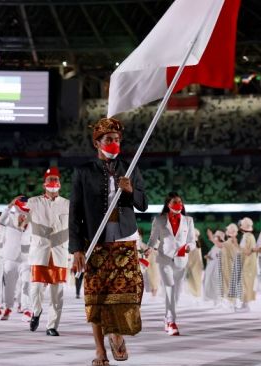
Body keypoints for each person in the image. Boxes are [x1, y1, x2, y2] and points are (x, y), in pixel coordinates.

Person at [70, 117, 147, 365]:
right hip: (96, 243)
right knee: (96, 298)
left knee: (128, 293)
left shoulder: (131, 166)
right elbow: (76, 212)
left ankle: (116, 333)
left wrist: (130, 191)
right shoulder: (83, 172)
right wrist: (77, 249)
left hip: (124, 240)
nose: (114, 143)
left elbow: (143, 205)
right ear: (97, 143)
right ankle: (100, 351)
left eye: (117, 140)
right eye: (108, 140)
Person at [27, 167, 70, 337]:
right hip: (40, 250)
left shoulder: (67, 204)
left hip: (59, 252)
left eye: (56, 180)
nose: (53, 183)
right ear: (44, 183)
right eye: (50, 179)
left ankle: (52, 326)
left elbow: (74, 226)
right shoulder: (33, 202)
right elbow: (20, 220)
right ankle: (36, 312)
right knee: (36, 289)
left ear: (60, 184)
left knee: (56, 293)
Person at [148, 192, 196, 335]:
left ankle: (167, 317)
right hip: (164, 259)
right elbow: (153, 239)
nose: (178, 205)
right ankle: (171, 321)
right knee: (169, 287)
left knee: (176, 293)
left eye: (180, 202)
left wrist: (189, 247)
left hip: (181, 260)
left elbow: (192, 240)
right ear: (168, 204)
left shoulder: (188, 220)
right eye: (175, 202)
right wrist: (149, 249)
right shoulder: (159, 219)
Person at [0, 197, 32, 321]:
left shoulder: (32, 224)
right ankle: (8, 307)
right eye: (21, 213)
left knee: (27, 283)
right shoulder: (9, 220)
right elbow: (0, 221)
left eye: (26, 213)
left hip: (26, 258)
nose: (23, 216)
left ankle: (27, 309)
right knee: (9, 286)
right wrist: (10, 205)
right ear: (16, 211)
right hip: (10, 257)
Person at [237, 218, 258, 312]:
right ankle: (246, 304)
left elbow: (245, 251)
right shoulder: (251, 236)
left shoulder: (245, 237)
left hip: (247, 263)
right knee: (248, 284)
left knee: (245, 284)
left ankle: (245, 305)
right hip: (251, 263)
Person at [204, 229, 226, 306]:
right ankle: (215, 299)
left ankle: (220, 299)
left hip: (219, 267)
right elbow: (211, 255)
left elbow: (219, 245)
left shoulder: (223, 245)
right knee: (211, 282)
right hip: (211, 267)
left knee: (218, 282)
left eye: (216, 236)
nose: (215, 237)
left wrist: (211, 237)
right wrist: (208, 257)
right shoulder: (214, 246)